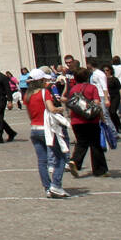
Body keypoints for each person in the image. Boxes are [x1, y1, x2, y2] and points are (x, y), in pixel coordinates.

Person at [25, 70, 70, 198]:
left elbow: (29, 114)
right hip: (46, 129)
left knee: (42, 160)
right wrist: (60, 108)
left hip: (34, 128)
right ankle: (56, 185)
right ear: (40, 81)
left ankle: (47, 187)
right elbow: (51, 108)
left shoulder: (27, 95)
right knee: (60, 157)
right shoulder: (44, 93)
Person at [65, 67, 108, 178]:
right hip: (91, 119)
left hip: (76, 120)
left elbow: (71, 106)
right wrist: (102, 118)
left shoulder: (73, 89)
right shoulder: (92, 88)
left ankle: (75, 161)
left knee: (81, 142)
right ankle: (100, 170)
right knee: (95, 144)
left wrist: (71, 117)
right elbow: (97, 104)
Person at [104, 62, 121, 133]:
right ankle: (114, 126)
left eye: (107, 70)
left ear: (110, 71)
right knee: (109, 112)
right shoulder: (103, 80)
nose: (106, 72)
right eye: (104, 71)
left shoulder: (114, 79)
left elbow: (120, 89)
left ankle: (119, 126)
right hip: (108, 97)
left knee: (113, 111)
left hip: (115, 97)